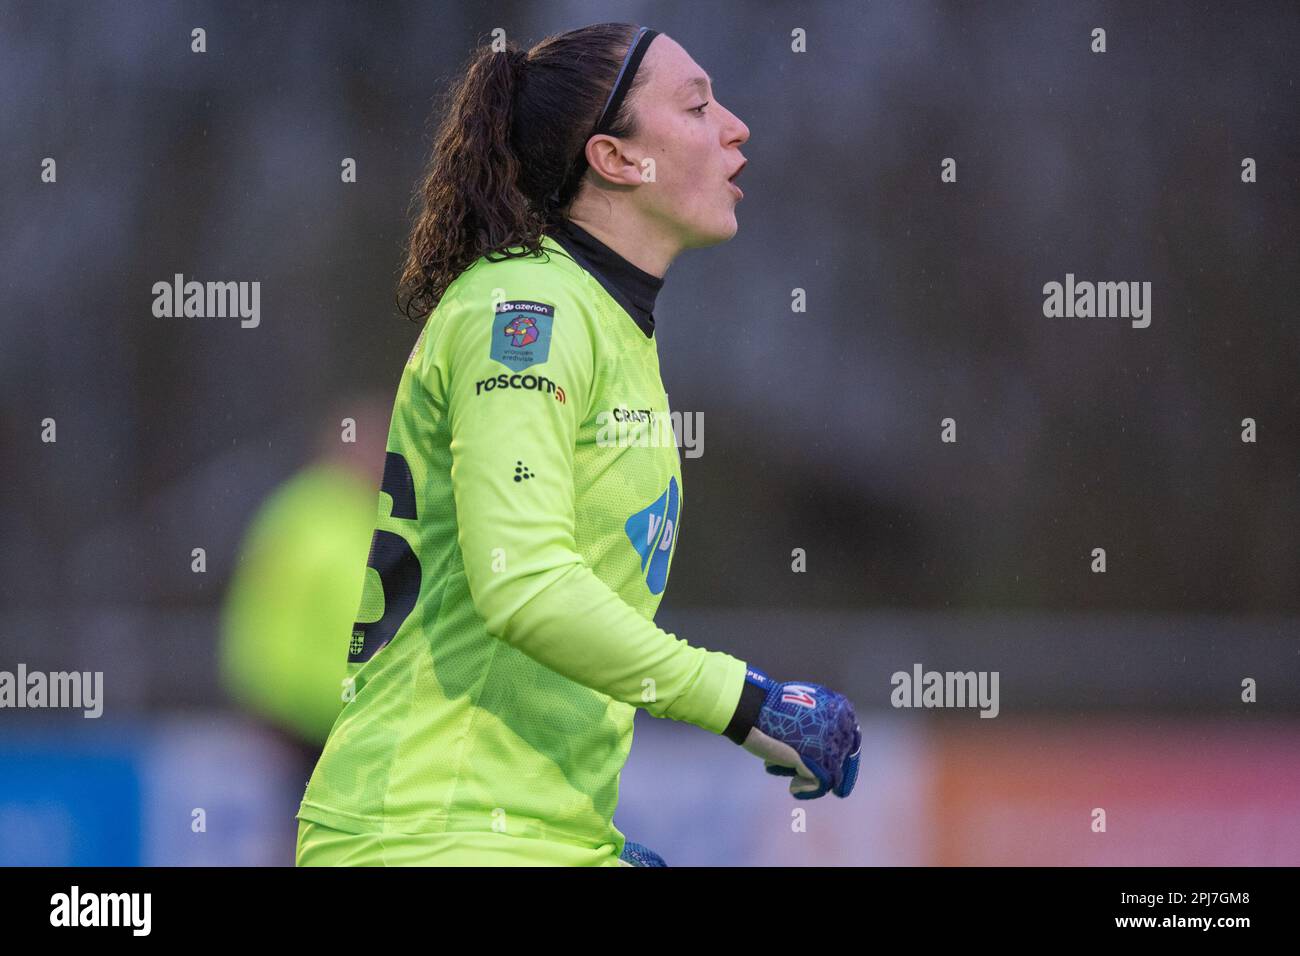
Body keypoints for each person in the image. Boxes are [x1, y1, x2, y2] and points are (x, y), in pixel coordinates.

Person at [295, 22, 861, 867]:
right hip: (426, 831)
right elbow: (521, 583)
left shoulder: (608, 325)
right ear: (617, 159)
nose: (735, 126)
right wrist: (746, 702)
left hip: (515, 835)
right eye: (699, 106)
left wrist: (573, 829)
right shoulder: (526, 311)